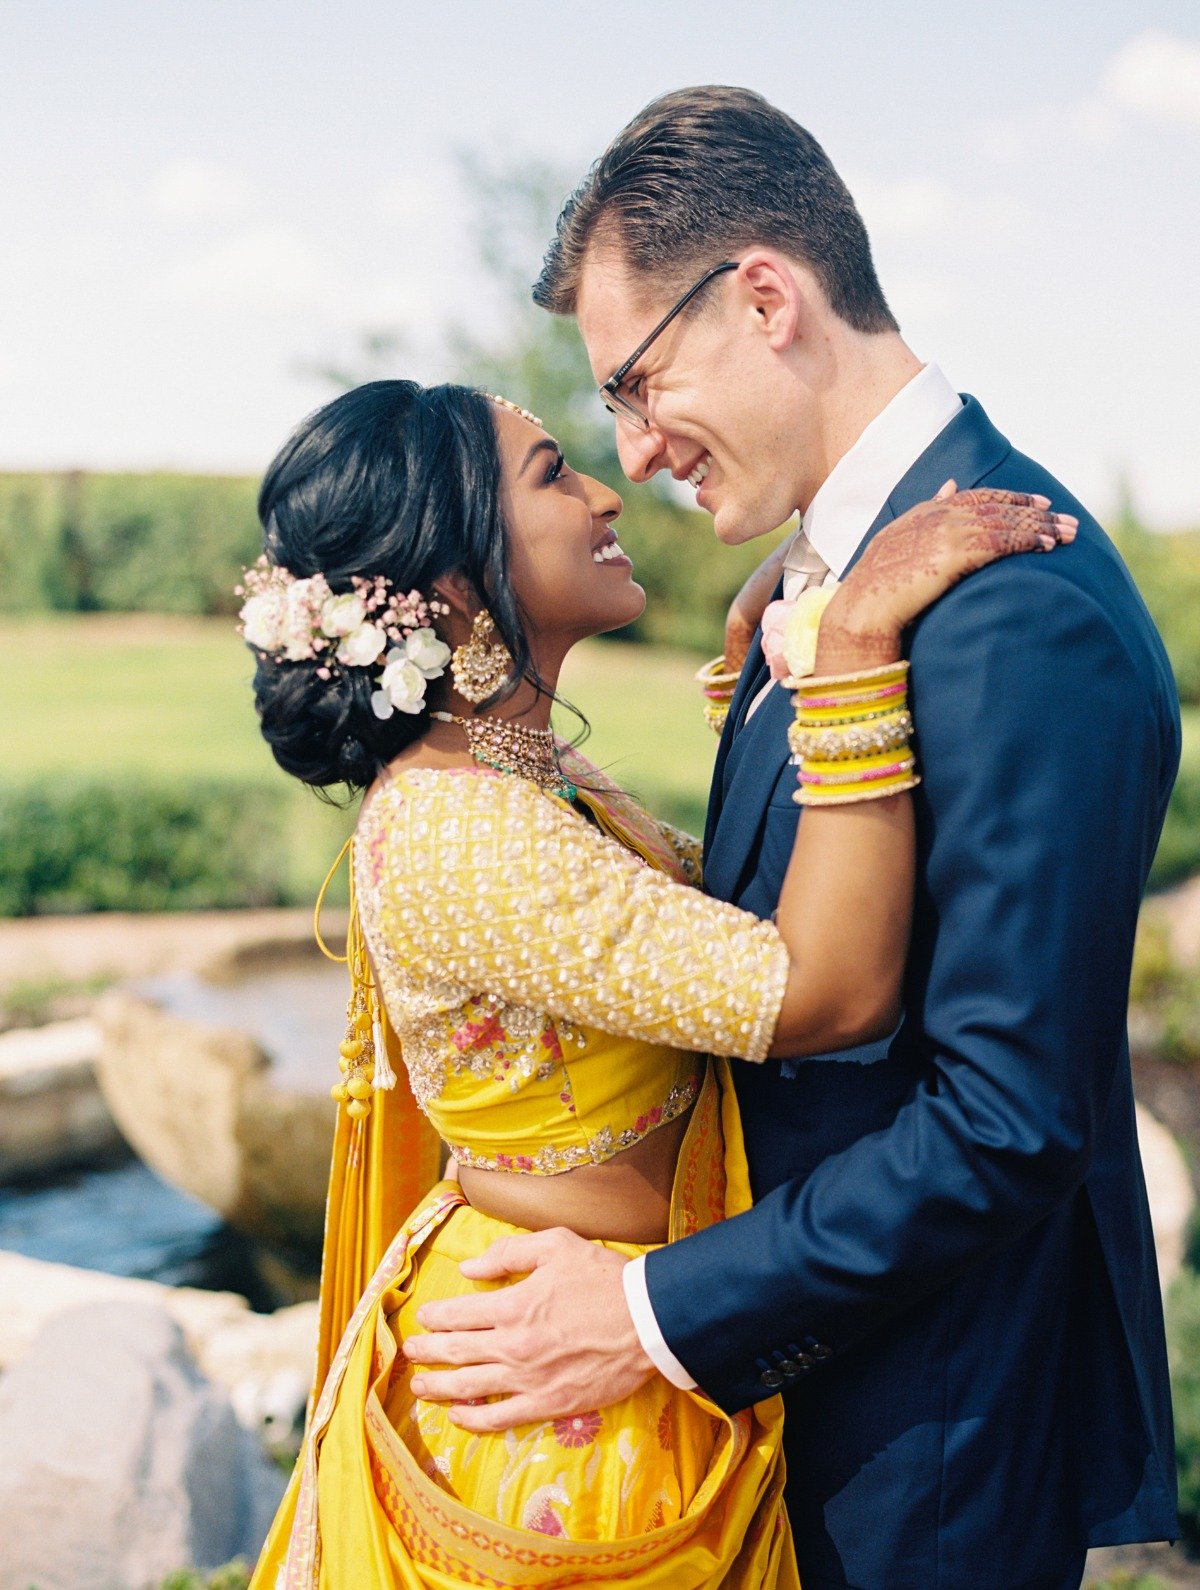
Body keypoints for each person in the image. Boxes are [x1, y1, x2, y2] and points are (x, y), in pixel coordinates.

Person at [402, 88, 1183, 1589]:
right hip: (793, 1415)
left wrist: (639, 1312)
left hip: (915, 1461)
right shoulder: (824, 591)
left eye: (636, 385)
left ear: (764, 296)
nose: (634, 453)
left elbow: (1007, 1120)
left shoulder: (1012, 611)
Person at [241, 378, 1068, 1588]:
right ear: (460, 585)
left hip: (628, 1336)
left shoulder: (526, 776)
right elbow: (816, 996)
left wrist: (759, 687)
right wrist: (850, 652)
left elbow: (692, 930)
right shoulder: (457, 831)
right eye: (550, 475)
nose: (601, 488)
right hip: (560, 1411)